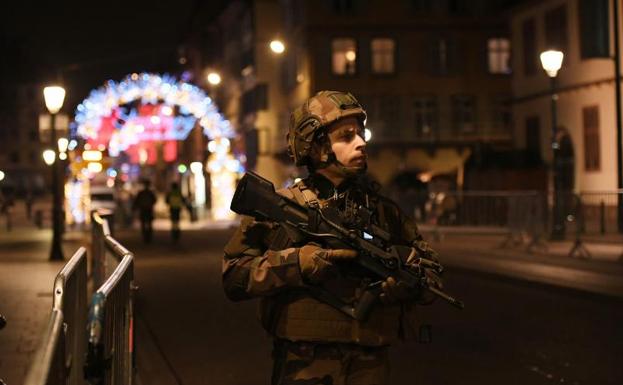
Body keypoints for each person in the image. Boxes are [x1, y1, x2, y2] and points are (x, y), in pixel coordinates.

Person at [223, 91, 444, 384]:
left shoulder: (384, 212)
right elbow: (234, 278)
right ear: (315, 147)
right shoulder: (281, 208)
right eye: (347, 136)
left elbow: (431, 278)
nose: (361, 142)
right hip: (305, 364)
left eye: (361, 133)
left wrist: (406, 287)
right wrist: (297, 264)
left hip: (370, 365)